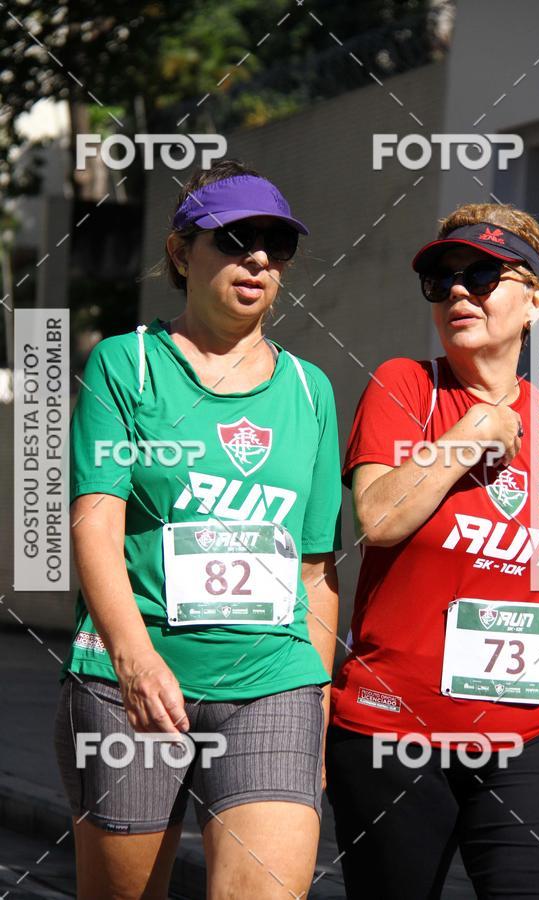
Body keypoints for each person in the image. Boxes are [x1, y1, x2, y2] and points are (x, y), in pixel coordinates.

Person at [55, 159, 341, 900]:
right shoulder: (129, 366)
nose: (258, 260)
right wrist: (136, 660)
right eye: (235, 239)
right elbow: (95, 522)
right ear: (182, 252)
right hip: (134, 682)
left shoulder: (312, 390)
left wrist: (316, 699)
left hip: (272, 683)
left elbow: (315, 569)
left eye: (277, 247)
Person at [326, 203, 539, 899]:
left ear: (536, 299)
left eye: (481, 274)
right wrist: (473, 430)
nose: (456, 291)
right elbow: (380, 516)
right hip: (395, 734)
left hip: (536, 729)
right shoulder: (404, 387)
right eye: (441, 279)